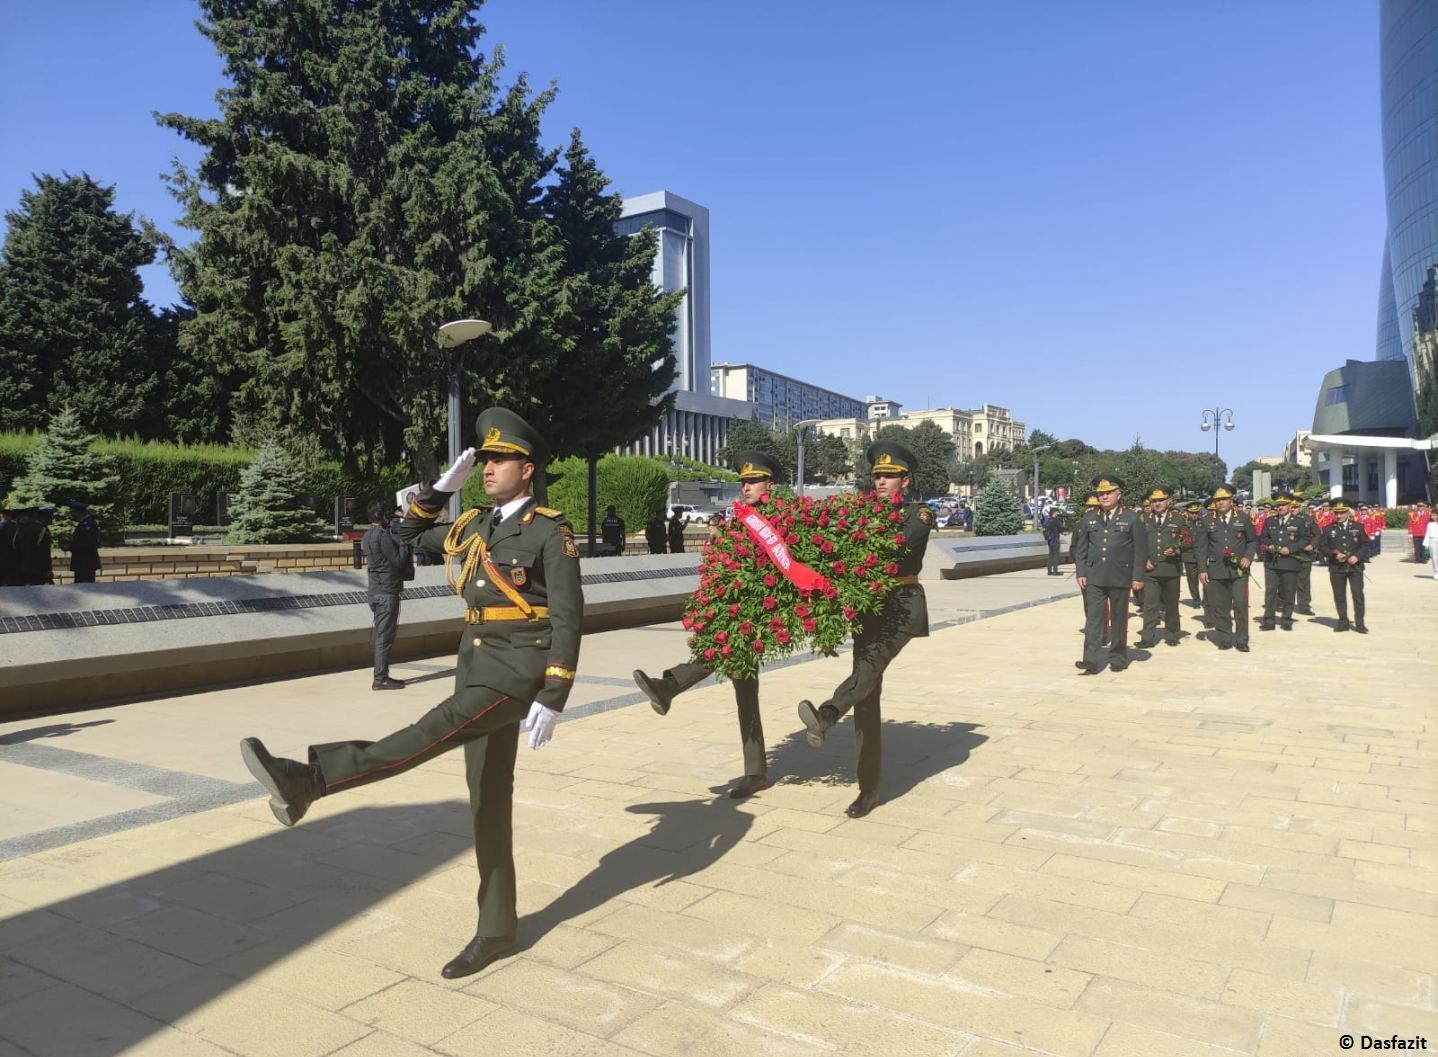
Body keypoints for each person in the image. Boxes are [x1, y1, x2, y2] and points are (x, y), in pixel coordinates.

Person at [239, 407, 583, 980]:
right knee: (487, 803)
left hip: (515, 669)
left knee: (426, 735)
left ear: (528, 469)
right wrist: (438, 490)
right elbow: (404, 534)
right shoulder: (478, 522)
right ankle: (498, 928)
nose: (488, 467)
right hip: (475, 660)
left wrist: (554, 691)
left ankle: (312, 779)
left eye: (499, 460)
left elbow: (569, 616)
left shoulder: (550, 530)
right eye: (485, 459)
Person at [633, 451, 785, 800]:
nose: (745, 487)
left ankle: (669, 685)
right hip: (732, 610)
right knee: (745, 690)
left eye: (753, 481)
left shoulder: (778, 520)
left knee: (725, 660)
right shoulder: (739, 519)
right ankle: (756, 771)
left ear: (770, 486)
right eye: (743, 482)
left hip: (759, 616)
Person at [796, 440, 933, 818]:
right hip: (867, 606)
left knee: (868, 669)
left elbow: (894, 546)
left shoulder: (919, 514)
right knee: (867, 695)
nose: (881, 481)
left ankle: (827, 713)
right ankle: (868, 789)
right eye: (877, 475)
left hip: (901, 605)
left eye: (889, 475)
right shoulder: (861, 512)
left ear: (905, 480)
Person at [1071, 475, 1147, 674]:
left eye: (1108, 493)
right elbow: (1081, 549)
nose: (1104, 497)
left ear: (1118, 494)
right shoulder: (1089, 518)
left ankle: (1118, 657)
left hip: (1120, 576)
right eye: (1100, 494)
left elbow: (1140, 550)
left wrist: (1138, 576)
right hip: (1095, 577)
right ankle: (1091, 660)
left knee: (1119, 618)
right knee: (1094, 620)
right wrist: (1081, 571)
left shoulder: (1131, 517)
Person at [1193, 484, 1257, 651]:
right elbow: (1201, 547)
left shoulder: (1242, 518)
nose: (1220, 503)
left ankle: (1242, 640)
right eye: (1217, 500)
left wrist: (1248, 557)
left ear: (1232, 500)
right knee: (1220, 606)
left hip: (1238, 571)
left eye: (1224, 499)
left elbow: (1252, 541)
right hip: (1216, 570)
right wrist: (1202, 569)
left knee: (1241, 604)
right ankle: (1225, 638)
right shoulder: (1207, 520)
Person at [362, 500, 407, 690]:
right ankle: (380, 678)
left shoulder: (367, 536)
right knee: (384, 637)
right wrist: (404, 543)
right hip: (386, 592)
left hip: (375, 590)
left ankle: (382, 675)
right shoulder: (382, 536)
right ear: (382, 517)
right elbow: (398, 560)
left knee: (382, 635)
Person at [1258, 493, 1312, 632]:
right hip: (1272, 562)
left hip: (1290, 561)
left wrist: (1291, 548)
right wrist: (1269, 545)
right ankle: (1269, 620)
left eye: (1283, 505)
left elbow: (1305, 539)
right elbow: (1263, 537)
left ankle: (1286, 619)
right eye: (1278, 505)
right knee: (1270, 592)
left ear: (1289, 505)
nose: (1280, 507)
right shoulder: (1270, 521)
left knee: (1289, 592)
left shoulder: (1299, 521)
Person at [1137, 486, 1183, 648]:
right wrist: (1142, 561)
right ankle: (1147, 637)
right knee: (1149, 605)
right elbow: (1137, 543)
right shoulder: (1143, 518)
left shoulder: (1178, 519)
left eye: (1161, 500)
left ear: (1168, 501)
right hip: (1150, 570)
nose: (1157, 504)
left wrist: (1177, 550)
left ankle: (1172, 633)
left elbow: (1189, 541)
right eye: (1154, 501)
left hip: (1171, 568)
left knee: (1171, 604)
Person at [1319, 500, 1372, 633]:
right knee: (1339, 595)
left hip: (1355, 567)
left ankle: (1360, 623)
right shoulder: (1328, 528)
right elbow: (1322, 546)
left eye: (1342, 513)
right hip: (1337, 568)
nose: (1339, 516)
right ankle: (1343, 621)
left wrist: (1357, 557)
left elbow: (1365, 544)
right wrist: (1334, 555)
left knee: (1358, 594)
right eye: (1336, 513)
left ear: (1348, 512)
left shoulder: (1358, 527)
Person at [14, 506, 56, 586]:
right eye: (50, 518)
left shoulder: (20, 529)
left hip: (21, 569)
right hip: (38, 570)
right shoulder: (42, 530)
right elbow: (44, 553)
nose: (51, 521)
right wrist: (47, 570)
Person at [64, 501, 102, 584]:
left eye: (72, 512)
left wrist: (70, 547)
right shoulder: (83, 524)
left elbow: (88, 543)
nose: (71, 515)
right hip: (82, 563)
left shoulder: (89, 524)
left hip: (85, 563)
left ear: (78, 512)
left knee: (84, 586)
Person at [1180, 499, 1204, 608]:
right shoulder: (1182, 525)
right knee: (1192, 580)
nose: (1194, 515)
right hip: (1189, 556)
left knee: (1206, 578)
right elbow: (1179, 541)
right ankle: (1196, 599)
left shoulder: (1203, 523)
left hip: (1203, 556)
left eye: (1196, 512)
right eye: (1192, 513)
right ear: (1187, 513)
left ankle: (1207, 599)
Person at [1040, 504, 1063, 575]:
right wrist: (1062, 524)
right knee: (1056, 555)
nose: (1058, 513)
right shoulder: (1056, 521)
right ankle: (1055, 571)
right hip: (1055, 539)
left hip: (1049, 540)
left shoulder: (1048, 520)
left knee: (1051, 555)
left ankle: (1049, 571)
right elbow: (1061, 529)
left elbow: (1045, 528)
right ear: (1054, 513)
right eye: (1057, 512)